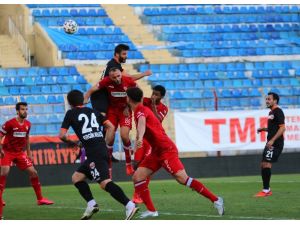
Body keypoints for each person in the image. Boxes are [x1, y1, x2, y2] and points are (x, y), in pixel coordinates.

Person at [126, 87, 224, 219]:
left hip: (166, 150)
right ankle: (152, 210)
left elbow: (142, 123)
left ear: (129, 99)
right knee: (138, 177)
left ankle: (216, 200)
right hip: (157, 151)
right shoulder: (140, 108)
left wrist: (139, 138)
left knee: (183, 179)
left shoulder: (140, 110)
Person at [59, 90, 139, 220]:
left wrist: (72, 142)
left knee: (104, 182)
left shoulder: (70, 113)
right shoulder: (93, 112)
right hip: (98, 150)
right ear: (83, 100)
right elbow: (111, 127)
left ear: (70, 102)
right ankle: (91, 204)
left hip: (95, 153)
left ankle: (129, 205)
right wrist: (103, 142)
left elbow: (62, 135)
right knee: (77, 177)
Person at [90, 44, 151, 169]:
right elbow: (129, 78)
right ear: (117, 54)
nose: (126, 56)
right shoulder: (114, 66)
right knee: (107, 128)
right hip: (102, 98)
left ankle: (109, 155)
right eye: (124, 54)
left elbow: (128, 82)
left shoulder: (113, 65)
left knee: (111, 130)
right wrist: (144, 74)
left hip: (106, 98)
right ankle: (103, 154)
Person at [0, 102, 54, 220]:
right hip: (7, 152)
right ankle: (0, 198)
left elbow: (27, 138)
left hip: (19, 153)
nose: (25, 111)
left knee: (33, 172)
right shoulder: (9, 123)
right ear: (17, 111)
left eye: (26, 109)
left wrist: (29, 153)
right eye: (23, 109)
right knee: (4, 172)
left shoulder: (28, 124)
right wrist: (0, 149)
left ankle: (40, 199)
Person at [84, 67, 138, 177]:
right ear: (110, 77)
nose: (117, 79)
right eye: (114, 77)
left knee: (124, 136)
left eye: (119, 76)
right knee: (109, 138)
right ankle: (108, 168)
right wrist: (86, 96)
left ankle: (128, 164)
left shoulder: (128, 81)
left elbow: (137, 93)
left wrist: (129, 106)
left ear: (121, 74)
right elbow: (93, 89)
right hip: (112, 111)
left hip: (125, 111)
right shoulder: (106, 81)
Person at [132, 85, 168, 204]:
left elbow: (157, 120)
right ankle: (139, 191)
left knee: (145, 166)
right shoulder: (145, 100)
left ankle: (139, 194)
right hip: (142, 138)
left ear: (161, 96)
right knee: (136, 164)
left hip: (152, 140)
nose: (153, 96)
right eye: (153, 93)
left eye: (156, 94)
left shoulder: (163, 108)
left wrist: (153, 106)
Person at [255, 92, 286, 197]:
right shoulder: (271, 113)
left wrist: (272, 140)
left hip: (275, 143)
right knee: (264, 164)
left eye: (269, 99)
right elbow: (274, 128)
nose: (267, 101)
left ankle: (266, 191)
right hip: (271, 142)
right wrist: (264, 129)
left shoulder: (278, 111)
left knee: (266, 164)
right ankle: (267, 189)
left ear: (275, 101)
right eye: (266, 99)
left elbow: (282, 128)